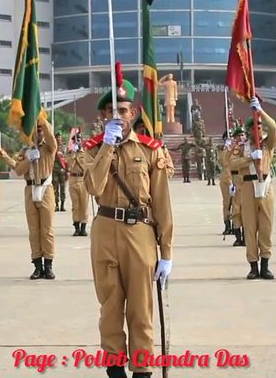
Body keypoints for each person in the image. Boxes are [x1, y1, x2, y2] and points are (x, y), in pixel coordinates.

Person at [84, 71, 173, 378]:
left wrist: (167, 252)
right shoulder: (93, 149)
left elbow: (161, 203)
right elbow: (93, 188)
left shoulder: (151, 149)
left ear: (133, 114)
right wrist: (107, 147)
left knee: (140, 307)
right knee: (110, 306)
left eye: (123, 111)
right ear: (102, 116)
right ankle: (114, 367)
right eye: (111, 112)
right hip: (105, 229)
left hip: (140, 234)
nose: (117, 116)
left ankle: (142, 370)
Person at [227, 98, 276, 279]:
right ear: (249, 130)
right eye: (254, 127)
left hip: (265, 186)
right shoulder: (242, 148)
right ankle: (253, 266)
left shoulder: (267, 144)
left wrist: (261, 111)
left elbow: (274, 128)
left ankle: (265, 264)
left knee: (266, 227)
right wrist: (249, 158)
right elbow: (231, 164)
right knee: (250, 228)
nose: (257, 129)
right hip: (248, 187)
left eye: (259, 126)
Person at [14, 117, 58, 280]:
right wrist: (28, 159)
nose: (38, 133)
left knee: (47, 230)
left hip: (45, 188)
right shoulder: (25, 151)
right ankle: (37, 265)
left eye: (40, 130)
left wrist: (41, 118)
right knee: (34, 231)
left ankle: (48, 265)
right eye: (36, 130)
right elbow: (18, 171)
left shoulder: (49, 147)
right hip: (30, 188)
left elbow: (52, 139)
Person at [222, 126, 246, 247]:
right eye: (239, 135)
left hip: (246, 180)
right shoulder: (232, 150)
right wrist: (230, 183)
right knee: (236, 210)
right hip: (236, 179)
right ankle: (238, 236)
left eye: (243, 135)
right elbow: (227, 166)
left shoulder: (248, 148)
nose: (242, 137)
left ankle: (247, 236)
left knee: (247, 209)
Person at [66, 132, 89, 236]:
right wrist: (73, 155)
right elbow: (70, 166)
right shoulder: (70, 153)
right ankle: (76, 227)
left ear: (82, 141)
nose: (77, 142)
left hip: (83, 179)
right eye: (75, 140)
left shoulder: (86, 153)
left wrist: (79, 155)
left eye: (79, 140)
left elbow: (86, 167)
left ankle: (83, 227)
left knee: (84, 204)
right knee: (75, 205)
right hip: (73, 179)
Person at [52, 132, 68, 212]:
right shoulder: (53, 147)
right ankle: (56, 205)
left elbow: (66, 159)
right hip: (55, 170)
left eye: (60, 137)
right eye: (57, 137)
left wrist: (67, 170)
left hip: (62, 171)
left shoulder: (63, 147)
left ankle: (62, 205)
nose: (59, 139)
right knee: (55, 189)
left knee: (63, 188)